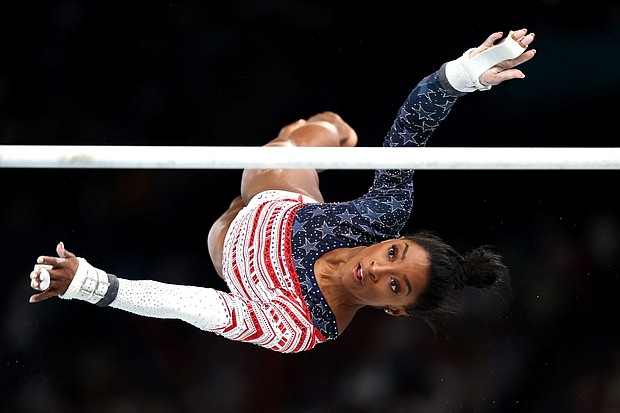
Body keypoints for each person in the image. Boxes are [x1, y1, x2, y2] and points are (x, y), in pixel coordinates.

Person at [29, 28, 537, 353]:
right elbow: (409, 129)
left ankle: (324, 133)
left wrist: (92, 285)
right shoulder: (384, 212)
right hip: (279, 196)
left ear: (394, 309)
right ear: (393, 238)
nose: (378, 267)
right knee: (287, 149)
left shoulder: (300, 327)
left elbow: (193, 306)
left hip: (226, 244)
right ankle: (330, 130)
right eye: (394, 253)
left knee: (285, 155)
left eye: (395, 284)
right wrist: (464, 75)